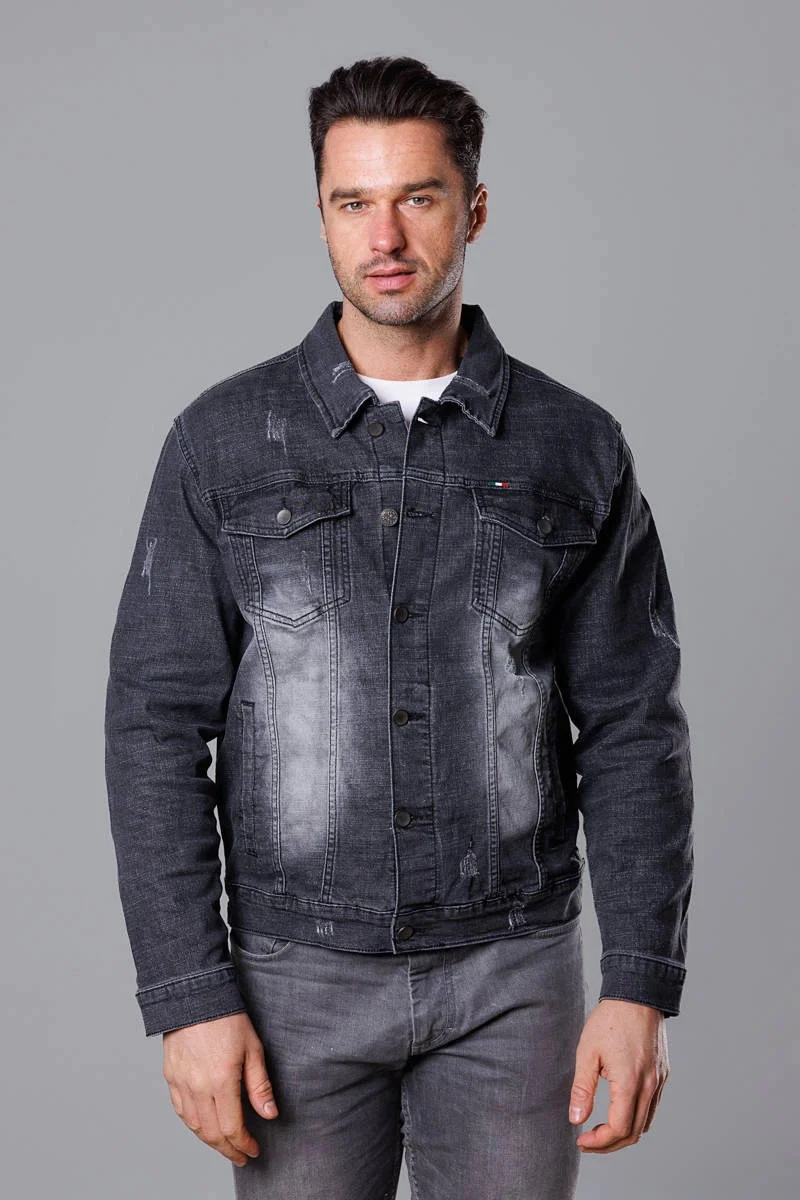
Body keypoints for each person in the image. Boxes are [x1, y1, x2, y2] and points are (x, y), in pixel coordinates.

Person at [105, 55, 694, 1200]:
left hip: (512, 977)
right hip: (289, 981)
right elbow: (153, 728)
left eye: (417, 197)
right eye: (351, 202)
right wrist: (188, 996)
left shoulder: (575, 446)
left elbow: (632, 725)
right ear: (320, 213)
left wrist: (638, 983)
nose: (383, 236)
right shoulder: (218, 442)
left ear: (473, 209)